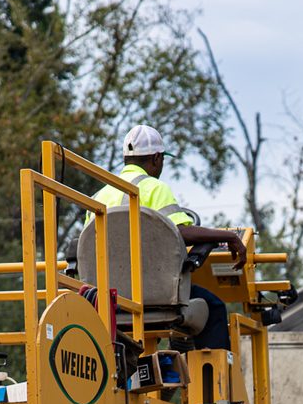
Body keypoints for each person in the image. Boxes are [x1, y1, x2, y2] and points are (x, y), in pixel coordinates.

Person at [86, 124, 240, 350]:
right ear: (157, 158)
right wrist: (228, 236)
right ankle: (214, 383)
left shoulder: (99, 196)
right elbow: (181, 232)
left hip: (105, 300)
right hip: (152, 297)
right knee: (214, 307)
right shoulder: (154, 188)